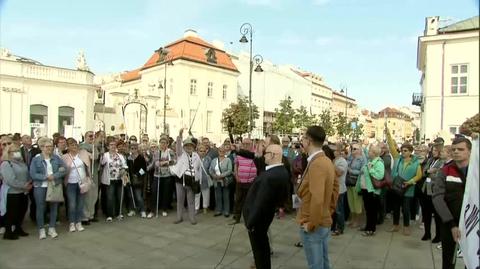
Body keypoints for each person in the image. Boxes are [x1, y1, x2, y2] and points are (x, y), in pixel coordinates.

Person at [243, 144, 290, 269]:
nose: (264, 156)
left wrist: (250, 223)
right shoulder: (280, 171)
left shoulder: (271, 176)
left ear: (273, 155)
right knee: (262, 249)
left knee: (260, 252)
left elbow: (260, 203)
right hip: (264, 218)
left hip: (258, 221)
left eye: (266, 153)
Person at [297, 126, 338, 269]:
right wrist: (329, 210)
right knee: (323, 262)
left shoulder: (318, 163)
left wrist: (311, 223)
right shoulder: (326, 160)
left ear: (309, 140)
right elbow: (335, 188)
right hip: (322, 219)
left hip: (314, 223)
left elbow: (318, 198)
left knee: (315, 265)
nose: (301, 141)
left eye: (303, 138)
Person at [433, 137, 472, 269]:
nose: (456, 152)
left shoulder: (476, 172)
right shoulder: (445, 170)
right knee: (448, 261)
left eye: (460, 149)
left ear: (470, 152)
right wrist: (451, 224)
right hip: (450, 223)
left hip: (473, 225)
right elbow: (438, 197)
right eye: (454, 149)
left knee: (472, 261)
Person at [386, 125, 422, 236]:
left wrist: (409, 182)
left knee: (406, 209)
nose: (403, 152)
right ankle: (395, 225)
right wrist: (388, 134)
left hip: (408, 189)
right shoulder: (398, 158)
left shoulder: (416, 162)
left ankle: (406, 227)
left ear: (411, 151)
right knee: (396, 208)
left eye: (405, 151)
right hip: (397, 187)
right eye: (402, 150)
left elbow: (418, 176)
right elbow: (392, 147)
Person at [30, 137, 67, 239]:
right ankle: (41, 229)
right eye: (47, 147)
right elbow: (33, 174)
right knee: (40, 207)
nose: (49, 149)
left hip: (54, 185)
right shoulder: (36, 159)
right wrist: (45, 177)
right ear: (42, 148)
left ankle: (52, 228)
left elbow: (64, 169)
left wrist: (54, 176)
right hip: (40, 186)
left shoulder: (56, 158)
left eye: (51, 146)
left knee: (54, 207)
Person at [0, 144, 32, 240]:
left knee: (22, 211)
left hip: (23, 192)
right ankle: (8, 232)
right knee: (11, 213)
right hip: (12, 193)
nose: (17, 153)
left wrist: (29, 182)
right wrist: (24, 186)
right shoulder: (6, 164)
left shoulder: (21, 163)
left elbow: (27, 174)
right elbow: (10, 180)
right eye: (14, 151)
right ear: (8, 153)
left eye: (18, 150)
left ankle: (18, 228)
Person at [170, 129, 202, 225]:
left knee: (191, 201)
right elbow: (178, 145)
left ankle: (192, 218)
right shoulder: (181, 154)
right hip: (180, 180)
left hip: (191, 181)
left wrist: (198, 180)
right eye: (187, 145)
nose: (189, 147)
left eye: (190, 145)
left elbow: (199, 169)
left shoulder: (197, 156)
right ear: (184, 147)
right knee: (180, 200)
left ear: (193, 147)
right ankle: (179, 217)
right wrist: (180, 135)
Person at [355, 144, 385, 236]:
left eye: (370, 151)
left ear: (374, 153)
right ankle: (368, 226)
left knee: (372, 211)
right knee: (368, 210)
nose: (368, 152)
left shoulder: (379, 163)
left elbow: (379, 176)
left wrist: (371, 169)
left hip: (372, 190)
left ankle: (371, 229)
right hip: (365, 189)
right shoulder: (369, 161)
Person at [62, 138, 90, 232]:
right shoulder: (65, 157)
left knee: (80, 204)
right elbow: (63, 169)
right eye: (72, 145)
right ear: (68, 147)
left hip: (82, 182)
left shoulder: (82, 154)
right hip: (70, 183)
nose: (74, 147)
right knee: (72, 204)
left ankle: (79, 222)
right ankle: (72, 223)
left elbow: (93, 158)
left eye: (75, 145)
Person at [418, 144, 444, 242]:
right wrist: (429, 171)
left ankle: (438, 235)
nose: (434, 152)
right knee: (426, 213)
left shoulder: (442, 161)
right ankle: (427, 233)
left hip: (435, 190)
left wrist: (431, 172)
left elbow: (438, 174)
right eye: (433, 150)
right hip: (426, 189)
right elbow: (424, 171)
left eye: (436, 151)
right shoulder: (430, 160)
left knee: (437, 215)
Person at [230, 138, 257, 225]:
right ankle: (236, 217)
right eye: (244, 143)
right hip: (240, 181)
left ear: (252, 144)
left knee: (249, 201)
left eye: (248, 144)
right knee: (238, 200)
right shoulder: (239, 154)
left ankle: (249, 218)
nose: (245, 145)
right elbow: (236, 166)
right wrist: (236, 176)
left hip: (251, 182)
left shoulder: (255, 154)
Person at [100, 140, 128, 222]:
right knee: (110, 197)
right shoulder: (105, 155)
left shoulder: (120, 156)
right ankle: (109, 215)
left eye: (114, 145)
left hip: (119, 178)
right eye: (111, 145)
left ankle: (119, 213)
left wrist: (123, 170)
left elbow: (124, 165)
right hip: (110, 179)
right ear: (108, 147)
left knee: (120, 196)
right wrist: (101, 155)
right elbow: (102, 164)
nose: (113, 146)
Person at [148, 137, 176, 218]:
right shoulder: (157, 152)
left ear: (167, 144)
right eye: (161, 143)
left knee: (165, 193)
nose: (162, 144)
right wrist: (148, 168)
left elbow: (174, 161)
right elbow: (155, 163)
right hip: (157, 175)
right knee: (154, 192)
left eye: (164, 143)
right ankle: (152, 210)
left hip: (167, 175)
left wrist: (164, 162)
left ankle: (164, 209)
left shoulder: (170, 152)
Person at [20, 135, 41, 223]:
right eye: (27, 138)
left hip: (34, 178)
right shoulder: (18, 151)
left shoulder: (37, 151)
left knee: (34, 200)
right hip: (22, 178)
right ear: (22, 141)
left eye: (30, 138)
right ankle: (19, 220)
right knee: (22, 201)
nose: (30, 139)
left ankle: (34, 217)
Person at [346, 143, 366, 229]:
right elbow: (346, 164)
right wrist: (350, 155)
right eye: (352, 149)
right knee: (351, 201)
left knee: (357, 202)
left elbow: (362, 171)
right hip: (349, 182)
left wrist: (351, 171)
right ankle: (353, 219)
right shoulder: (351, 158)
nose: (353, 150)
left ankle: (358, 221)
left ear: (360, 150)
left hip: (356, 183)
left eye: (355, 149)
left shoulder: (362, 159)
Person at [209, 144, 233, 217]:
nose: (221, 152)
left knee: (226, 196)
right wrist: (213, 175)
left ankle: (226, 211)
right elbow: (210, 169)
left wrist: (221, 176)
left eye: (223, 151)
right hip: (216, 181)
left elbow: (229, 170)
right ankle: (219, 210)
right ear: (218, 151)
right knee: (218, 196)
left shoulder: (228, 160)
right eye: (220, 151)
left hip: (225, 180)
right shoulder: (214, 160)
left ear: (225, 152)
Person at [125, 142, 147, 218]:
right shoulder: (128, 158)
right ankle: (132, 210)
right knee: (130, 196)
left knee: (138, 196)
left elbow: (144, 169)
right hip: (130, 179)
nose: (133, 150)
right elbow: (126, 168)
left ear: (137, 149)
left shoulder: (141, 158)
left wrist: (137, 174)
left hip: (138, 180)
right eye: (132, 148)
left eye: (135, 148)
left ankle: (143, 210)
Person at [331, 143, 348, 236]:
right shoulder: (334, 160)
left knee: (339, 210)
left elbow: (339, 173)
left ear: (339, 151)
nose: (333, 152)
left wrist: (331, 165)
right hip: (333, 188)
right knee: (334, 209)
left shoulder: (342, 161)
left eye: (335, 150)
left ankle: (340, 228)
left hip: (340, 189)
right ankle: (334, 226)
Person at [195, 144, 212, 214]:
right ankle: (196, 208)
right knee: (196, 195)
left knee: (206, 194)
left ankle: (205, 207)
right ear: (198, 151)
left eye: (204, 151)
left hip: (205, 180)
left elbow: (211, 169)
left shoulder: (208, 159)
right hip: (197, 179)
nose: (202, 152)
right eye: (201, 151)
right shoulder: (195, 159)